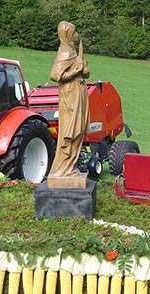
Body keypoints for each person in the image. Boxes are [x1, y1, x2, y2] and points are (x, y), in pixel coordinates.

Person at [48, 21, 90, 177]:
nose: (77, 35)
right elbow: (55, 75)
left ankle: (71, 167)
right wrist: (75, 72)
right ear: (67, 35)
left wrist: (83, 68)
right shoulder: (65, 53)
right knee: (71, 132)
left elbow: (85, 72)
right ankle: (64, 169)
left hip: (78, 94)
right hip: (70, 97)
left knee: (78, 133)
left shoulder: (73, 52)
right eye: (75, 33)